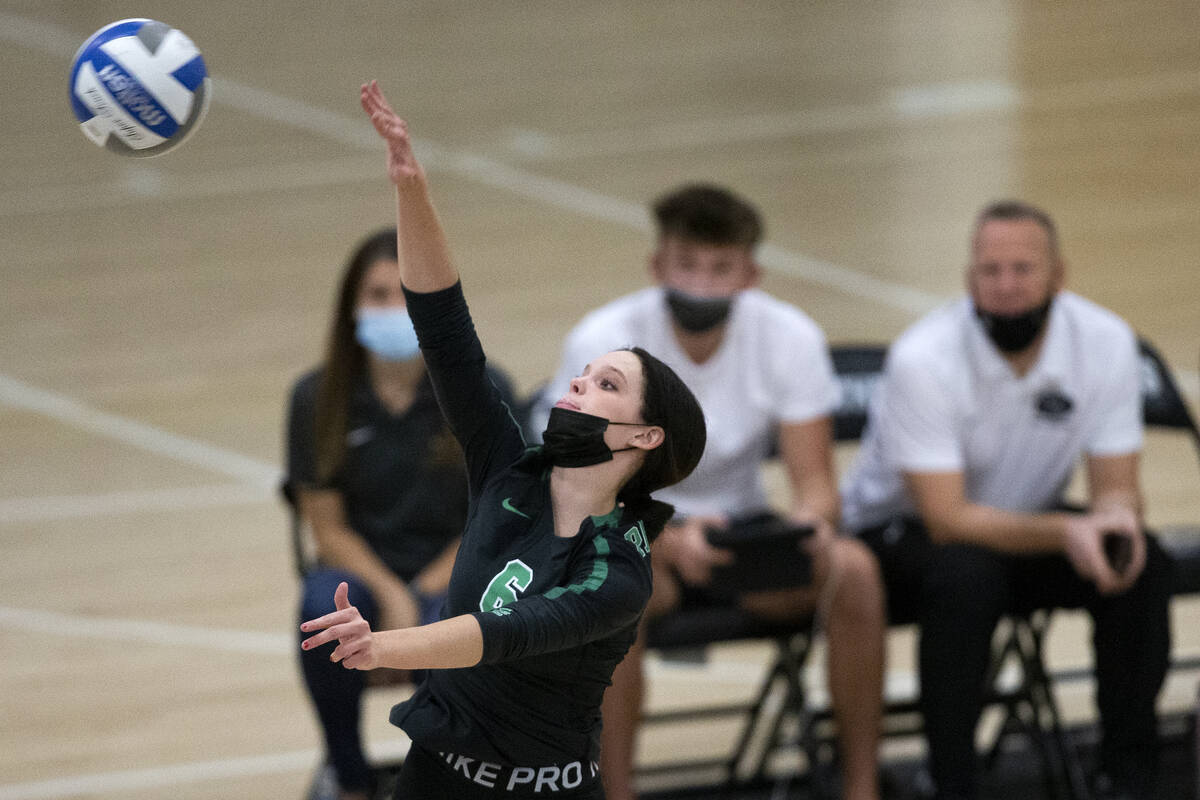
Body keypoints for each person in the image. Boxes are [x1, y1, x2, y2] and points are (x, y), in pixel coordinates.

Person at [300, 80, 708, 800]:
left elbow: (505, 634)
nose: (579, 386)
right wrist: (412, 188)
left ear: (644, 436)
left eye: (606, 385)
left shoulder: (617, 570)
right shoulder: (505, 469)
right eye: (583, 376)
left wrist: (380, 646)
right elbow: (445, 330)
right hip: (435, 778)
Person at [533, 184, 887, 800]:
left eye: (720, 268)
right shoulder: (607, 339)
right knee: (613, 595)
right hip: (628, 530)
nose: (701, 283)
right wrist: (665, 539)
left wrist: (803, 529)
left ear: (750, 273)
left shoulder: (790, 337)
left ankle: (861, 788)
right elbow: (577, 484)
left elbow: (816, 488)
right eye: (687, 265)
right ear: (657, 266)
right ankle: (615, 792)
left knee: (852, 571)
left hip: (740, 533)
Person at [840, 200, 1173, 800]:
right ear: (970, 280)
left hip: (1019, 528)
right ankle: (953, 783)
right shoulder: (925, 357)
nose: (1005, 286)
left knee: (1139, 560)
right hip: (900, 533)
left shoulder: (1104, 341)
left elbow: (1116, 483)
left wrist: (1117, 516)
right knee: (967, 574)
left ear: (1058, 275)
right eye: (990, 272)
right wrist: (1068, 533)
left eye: (1022, 269)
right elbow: (946, 518)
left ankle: (1129, 775)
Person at [287, 228, 516, 800]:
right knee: (322, 612)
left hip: (458, 571)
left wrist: (417, 604)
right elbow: (326, 525)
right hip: (362, 575)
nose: (395, 310)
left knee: (464, 627)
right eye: (379, 295)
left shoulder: (484, 389)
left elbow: (496, 517)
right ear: (352, 308)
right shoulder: (317, 397)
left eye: (409, 295)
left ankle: (453, 779)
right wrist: (391, 597)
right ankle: (350, 776)